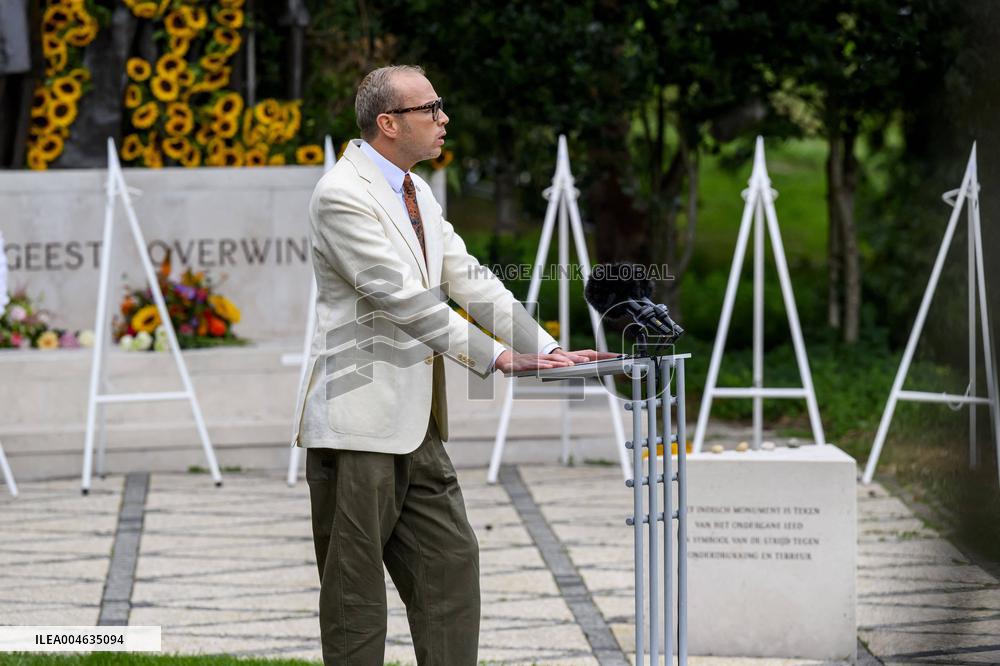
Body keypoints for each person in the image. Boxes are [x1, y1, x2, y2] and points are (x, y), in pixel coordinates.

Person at [292, 64, 618, 665]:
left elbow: (469, 278)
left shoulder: (415, 189)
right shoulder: (340, 194)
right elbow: (401, 299)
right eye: (430, 109)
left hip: (416, 424)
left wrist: (545, 348)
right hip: (358, 422)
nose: (444, 119)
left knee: (451, 564)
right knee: (355, 596)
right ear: (388, 124)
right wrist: (495, 357)